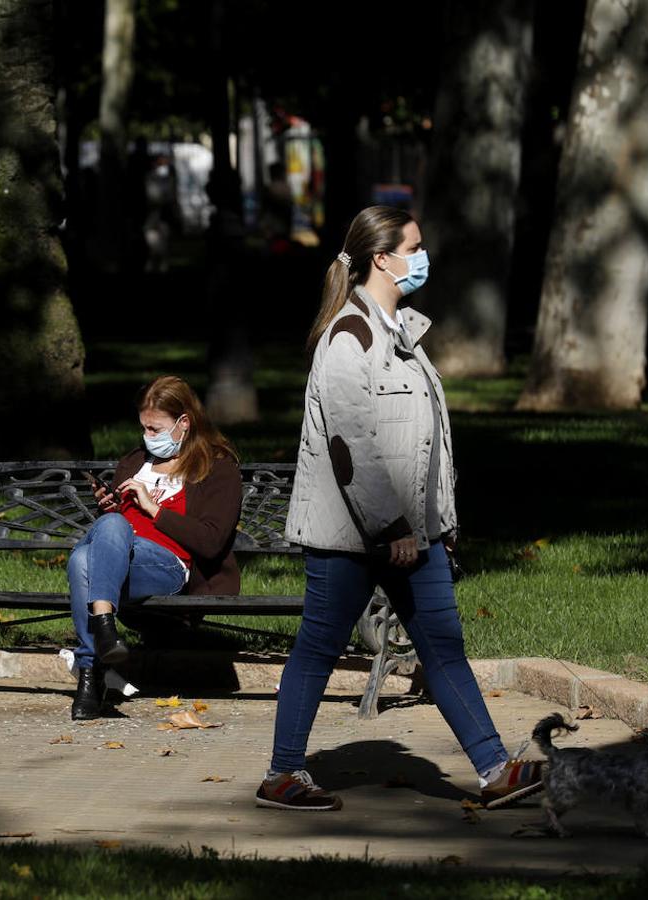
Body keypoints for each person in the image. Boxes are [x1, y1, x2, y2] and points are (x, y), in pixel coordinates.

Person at [258, 206, 544, 812]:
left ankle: (495, 771)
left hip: (415, 535)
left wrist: (438, 526)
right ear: (381, 258)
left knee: (443, 647)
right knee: (318, 646)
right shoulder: (347, 338)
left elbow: (418, 446)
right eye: (414, 246)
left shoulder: (402, 336)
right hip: (351, 537)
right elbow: (351, 449)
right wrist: (392, 528)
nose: (422, 256)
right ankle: (283, 774)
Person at [68, 375, 242, 720]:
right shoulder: (136, 461)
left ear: (184, 423)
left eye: (156, 429)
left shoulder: (217, 467)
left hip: (169, 566)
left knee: (84, 557)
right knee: (87, 555)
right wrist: (109, 506)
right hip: (117, 561)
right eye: (144, 428)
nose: (148, 438)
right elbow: (113, 526)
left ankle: (92, 669)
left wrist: (154, 509)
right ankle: (100, 648)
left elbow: (211, 541)